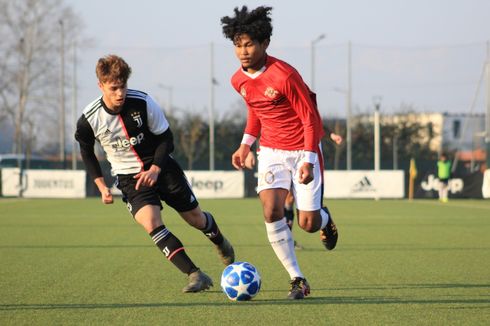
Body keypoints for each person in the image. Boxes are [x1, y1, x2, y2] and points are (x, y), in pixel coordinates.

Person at [74, 54, 235, 294]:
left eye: (123, 86)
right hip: (130, 179)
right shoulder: (89, 119)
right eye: (114, 88)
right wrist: (101, 185)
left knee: (195, 219)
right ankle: (195, 274)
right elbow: (86, 152)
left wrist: (156, 168)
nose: (120, 93)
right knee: (151, 222)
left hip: (162, 168)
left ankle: (220, 241)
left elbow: (166, 139)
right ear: (101, 86)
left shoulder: (142, 102)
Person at [221, 6, 339, 300]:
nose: (243, 51)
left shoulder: (284, 75)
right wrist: (246, 144)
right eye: (238, 45)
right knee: (271, 210)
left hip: (303, 148)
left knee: (307, 223)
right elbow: (255, 111)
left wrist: (309, 160)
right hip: (271, 150)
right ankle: (297, 279)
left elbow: (310, 119)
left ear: (264, 44)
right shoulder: (238, 80)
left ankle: (326, 220)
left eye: (249, 44)